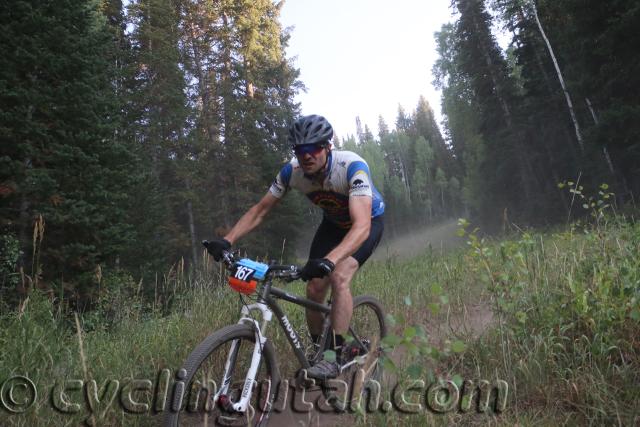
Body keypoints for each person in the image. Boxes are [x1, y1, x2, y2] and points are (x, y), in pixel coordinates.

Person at [206, 115, 385, 380]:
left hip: (366, 223)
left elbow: (361, 227)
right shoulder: (292, 172)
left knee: (339, 276)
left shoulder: (351, 167)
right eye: (300, 150)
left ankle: (333, 359)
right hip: (333, 225)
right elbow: (260, 210)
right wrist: (227, 240)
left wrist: (330, 260)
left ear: (327, 147)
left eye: (313, 148)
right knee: (313, 289)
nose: (306, 155)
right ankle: (320, 353)